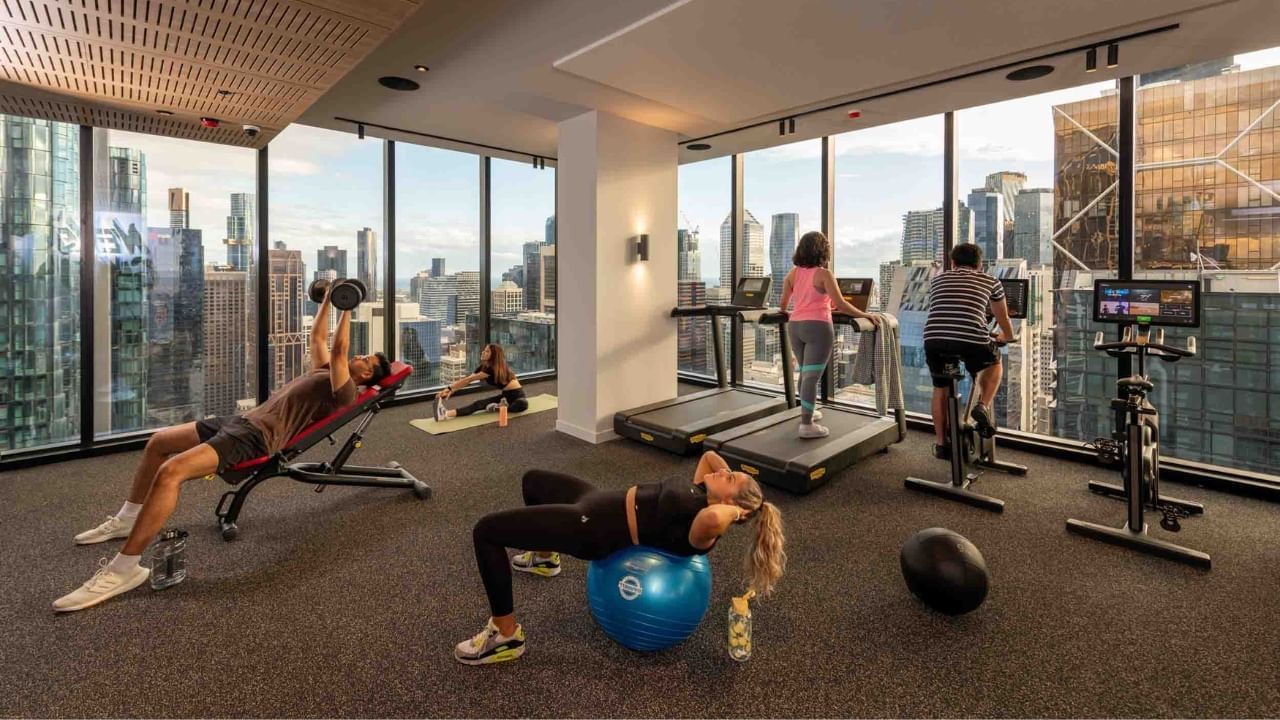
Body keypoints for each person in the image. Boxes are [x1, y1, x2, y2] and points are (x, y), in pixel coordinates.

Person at [55, 285, 392, 612]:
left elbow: (338, 350)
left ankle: (125, 568)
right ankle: (129, 518)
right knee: (159, 443)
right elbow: (318, 339)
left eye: (366, 359)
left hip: (256, 436)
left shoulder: (344, 393)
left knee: (171, 472)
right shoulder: (323, 373)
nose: (359, 356)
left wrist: (346, 307)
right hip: (241, 420)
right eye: (362, 354)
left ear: (366, 376)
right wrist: (329, 297)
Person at [453, 450, 786, 665]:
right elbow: (709, 457)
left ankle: (505, 635)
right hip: (597, 500)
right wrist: (727, 477)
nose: (723, 474)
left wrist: (738, 511)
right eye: (730, 474)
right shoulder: (701, 490)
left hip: (591, 528)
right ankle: (544, 558)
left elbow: (715, 517)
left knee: (486, 532)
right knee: (533, 480)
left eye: (730, 480)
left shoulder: (703, 528)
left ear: (732, 509)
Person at [778, 230, 880, 439]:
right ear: (823, 251)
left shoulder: (793, 273)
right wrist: (866, 315)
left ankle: (807, 411)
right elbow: (841, 304)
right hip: (817, 327)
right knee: (811, 376)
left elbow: (783, 304)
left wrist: (795, 309)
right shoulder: (824, 274)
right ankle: (806, 425)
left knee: (805, 371)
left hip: (795, 326)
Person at [922, 243, 1014, 460]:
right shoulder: (991, 281)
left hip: (934, 340)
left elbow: (946, 310)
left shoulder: (937, 280)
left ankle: (941, 444)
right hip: (971, 340)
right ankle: (982, 406)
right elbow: (1002, 317)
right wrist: (1007, 336)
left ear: (953, 263)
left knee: (940, 388)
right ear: (980, 264)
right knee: (994, 362)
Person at [434, 343, 527, 421]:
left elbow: (468, 380)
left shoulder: (492, 368)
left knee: (522, 404)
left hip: (517, 395)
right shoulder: (483, 367)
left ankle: (498, 407)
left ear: (493, 355)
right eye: (484, 350)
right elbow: (467, 380)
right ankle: (445, 414)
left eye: (487, 351)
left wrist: (450, 388)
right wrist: (450, 390)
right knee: (478, 404)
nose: (483, 352)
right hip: (505, 396)